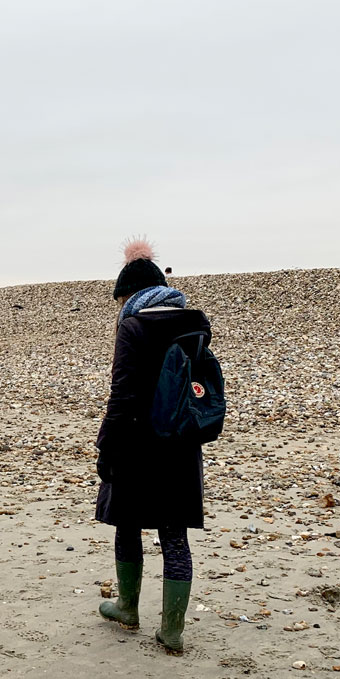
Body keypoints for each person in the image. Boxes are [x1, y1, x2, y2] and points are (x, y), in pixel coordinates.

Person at [95, 238, 213, 652]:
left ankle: (128, 608)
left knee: (127, 523)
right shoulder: (195, 322)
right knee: (175, 535)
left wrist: (105, 445)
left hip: (136, 444)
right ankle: (173, 630)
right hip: (181, 443)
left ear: (130, 295)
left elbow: (123, 394)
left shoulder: (133, 326)